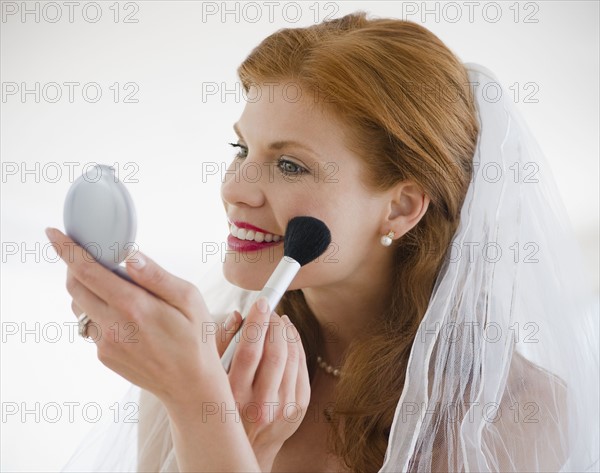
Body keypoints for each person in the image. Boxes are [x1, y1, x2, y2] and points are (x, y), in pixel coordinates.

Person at [49, 11, 598, 473]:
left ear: (401, 207)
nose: (236, 190)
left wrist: (200, 410)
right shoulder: (204, 357)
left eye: (290, 164)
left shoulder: (513, 413)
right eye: (241, 149)